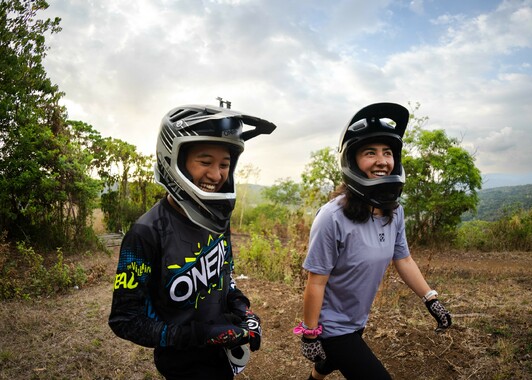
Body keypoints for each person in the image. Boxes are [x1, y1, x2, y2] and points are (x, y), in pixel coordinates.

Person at [109, 104, 276, 379]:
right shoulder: (146, 232)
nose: (216, 175)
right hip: (181, 364)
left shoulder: (218, 218)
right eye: (205, 161)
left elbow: (225, 276)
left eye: (225, 164)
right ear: (175, 160)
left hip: (222, 356)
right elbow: (125, 320)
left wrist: (242, 310)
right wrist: (198, 336)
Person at [295, 102, 452, 380]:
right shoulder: (332, 217)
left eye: (388, 152)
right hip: (333, 327)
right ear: (352, 161)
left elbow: (402, 258)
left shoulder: (394, 210)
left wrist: (430, 299)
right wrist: (309, 334)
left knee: (327, 363)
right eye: (370, 153)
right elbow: (315, 282)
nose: (382, 160)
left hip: (356, 319)